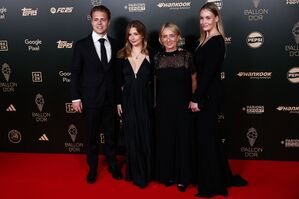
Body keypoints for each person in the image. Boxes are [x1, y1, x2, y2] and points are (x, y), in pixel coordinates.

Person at [189, 2, 248, 197]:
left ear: (216, 18)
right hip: (206, 92)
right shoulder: (204, 40)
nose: (204, 21)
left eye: (208, 17)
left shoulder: (216, 41)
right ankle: (220, 176)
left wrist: (197, 99)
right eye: (201, 18)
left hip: (209, 95)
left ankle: (211, 185)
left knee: (206, 139)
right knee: (210, 138)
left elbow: (207, 75)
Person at [70, 5, 123, 184]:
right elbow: (75, 73)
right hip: (90, 100)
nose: (99, 23)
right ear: (91, 20)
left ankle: (113, 165)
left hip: (110, 100)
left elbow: (117, 75)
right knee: (91, 137)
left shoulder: (116, 44)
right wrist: (75, 97)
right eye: (96, 19)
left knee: (111, 135)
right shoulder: (81, 45)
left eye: (103, 19)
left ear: (108, 21)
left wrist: (118, 100)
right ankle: (93, 168)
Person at [154, 23, 196, 192]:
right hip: (163, 107)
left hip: (183, 106)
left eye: (172, 35)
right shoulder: (157, 58)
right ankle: (168, 175)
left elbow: (194, 79)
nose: (168, 39)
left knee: (182, 141)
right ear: (160, 39)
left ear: (179, 37)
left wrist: (193, 99)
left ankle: (183, 177)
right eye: (165, 36)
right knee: (166, 140)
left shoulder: (187, 56)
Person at [116, 20, 154, 188]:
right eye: (129, 34)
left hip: (146, 101)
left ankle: (148, 172)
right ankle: (135, 173)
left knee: (146, 135)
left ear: (142, 34)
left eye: (135, 33)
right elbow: (115, 82)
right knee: (132, 137)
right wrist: (118, 101)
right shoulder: (121, 55)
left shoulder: (152, 54)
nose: (132, 37)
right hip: (128, 101)